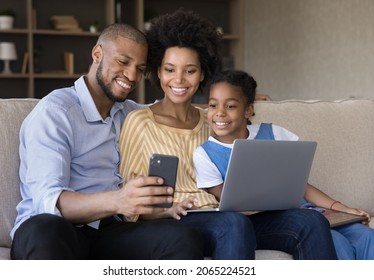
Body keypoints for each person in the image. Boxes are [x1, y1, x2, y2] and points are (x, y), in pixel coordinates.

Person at [118, 9, 337, 259]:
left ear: (202, 75)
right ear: (158, 72)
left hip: (229, 215)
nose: (179, 79)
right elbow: (130, 201)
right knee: (233, 224)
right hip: (177, 220)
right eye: (169, 69)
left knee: (309, 222)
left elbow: (233, 118)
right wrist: (164, 211)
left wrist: (246, 102)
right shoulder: (140, 121)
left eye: (189, 71)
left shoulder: (211, 120)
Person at [10, 23, 205, 260]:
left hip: (109, 231)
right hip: (56, 232)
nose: (132, 76)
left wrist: (233, 100)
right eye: (123, 62)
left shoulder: (130, 113)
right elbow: (49, 202)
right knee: (45, 229)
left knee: (183, 238)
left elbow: (172, 108)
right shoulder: (55, 112)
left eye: (140, 68)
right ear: (97, 54)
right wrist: (119, 201)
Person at [193, 69, 374, 260]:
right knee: (336, 241)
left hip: (309, 212)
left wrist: (342, 208)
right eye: (213, 105)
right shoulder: (205, 154)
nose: (219, 113)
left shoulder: (274, 133)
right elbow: (230, 202)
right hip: (263, 221)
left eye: (230, 106)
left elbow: (301, 186)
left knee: (366, 236)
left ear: (248, 110)